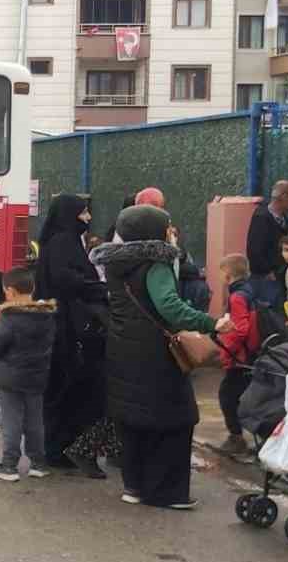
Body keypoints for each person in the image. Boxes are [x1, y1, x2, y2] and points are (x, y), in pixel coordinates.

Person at [91, 205, 230, 509]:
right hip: (155, 354)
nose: (170, 230)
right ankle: (166, 492)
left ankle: (134, 486)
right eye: (166, 225)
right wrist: (212, 323)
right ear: (153, 230)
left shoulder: (116, 264)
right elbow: (170, 307)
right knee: (175, 419)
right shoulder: (157, 263)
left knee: (132, 419)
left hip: (122, 349)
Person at [35, 193, 108, 471]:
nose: (88, 218)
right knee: (68, 389)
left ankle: (59, 447)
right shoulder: (63, 242)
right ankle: (59, 448)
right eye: (83, 213)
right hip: (67, 329)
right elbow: (65, 279)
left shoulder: (59, 241)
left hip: (63, 326)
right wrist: (97, 287)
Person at [0, 266, 56, 482]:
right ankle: (38, 463)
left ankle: (9, 465)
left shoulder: (10, 317)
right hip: (37, 375)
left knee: (11, 420)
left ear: (11, 291)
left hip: (10, 377)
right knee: (35, 420)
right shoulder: (47, 316)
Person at [216, 254, 262, 456]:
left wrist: (226, 351)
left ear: (227, 274)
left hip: (240, 358)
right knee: (243, 395)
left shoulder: (237, 297)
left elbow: (240, 329)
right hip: (251, 355)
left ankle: (237, 438)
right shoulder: (248, 290)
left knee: (227, 396)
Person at [246, 180, 288, 308]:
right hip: (266, 279)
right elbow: (254, 249)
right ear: (284, 196)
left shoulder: (284, 219)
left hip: (279, 276)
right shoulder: (261, 217)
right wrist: (267, 271)